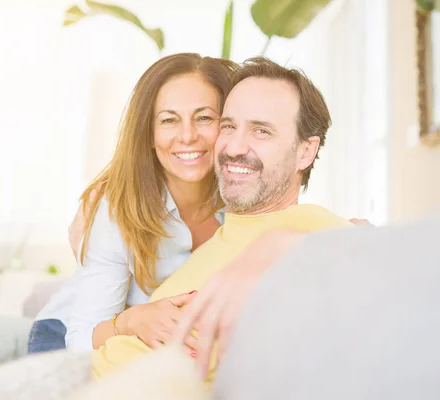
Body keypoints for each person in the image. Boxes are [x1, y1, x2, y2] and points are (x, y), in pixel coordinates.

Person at [88, 57, 356, 381]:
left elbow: (406, 271)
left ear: (305, 151)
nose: (234, 146)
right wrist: (130, 321)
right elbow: (95, 335)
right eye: (228, 126)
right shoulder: (217, 239)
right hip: (86, 374)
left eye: (261, 130)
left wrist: (290, 241)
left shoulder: (310, 227)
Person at [28, 53, 240, 353]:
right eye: (169, 120)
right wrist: (132, 320)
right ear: (149, 134)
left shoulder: (244, 201)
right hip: (67, 334)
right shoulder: (117, 209)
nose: (188, 136)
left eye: (204, 118)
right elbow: (80, 339)